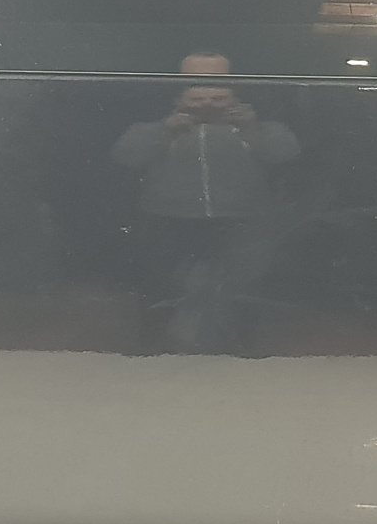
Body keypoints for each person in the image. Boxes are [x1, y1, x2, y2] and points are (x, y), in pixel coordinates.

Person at [112, 53, 299, 351]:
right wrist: (165, 130)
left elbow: (286, 154)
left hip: (241, 218)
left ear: (235, 96)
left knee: (244, 289)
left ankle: (244, 352)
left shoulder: (257, 127)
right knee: (159, 286)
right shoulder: (155, 128)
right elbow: (126, 156)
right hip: (167, 217)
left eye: (218, 98)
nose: (208, 106)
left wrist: (252, 129)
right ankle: (152, 351)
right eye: (198, 99)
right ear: (178, 97)